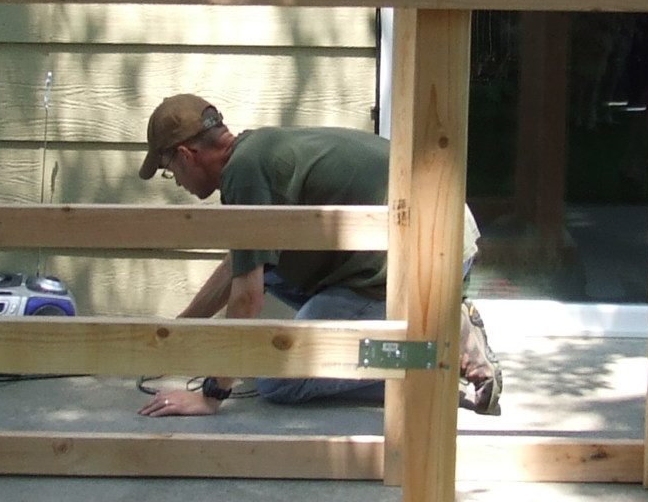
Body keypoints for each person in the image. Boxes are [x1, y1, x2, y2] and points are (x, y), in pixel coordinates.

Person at [134, 94, 502, 419]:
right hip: (439, 239)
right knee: (268, 269)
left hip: (424, 260)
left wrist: (212, 395)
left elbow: (247, 298)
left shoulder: (243, 174)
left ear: (187, 156)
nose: (177, 182)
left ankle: (434, 355)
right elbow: (240, 266)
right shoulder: (255, 152)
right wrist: (180, 332)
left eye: (170, 171)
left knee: (277, 381)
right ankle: (430, 326)